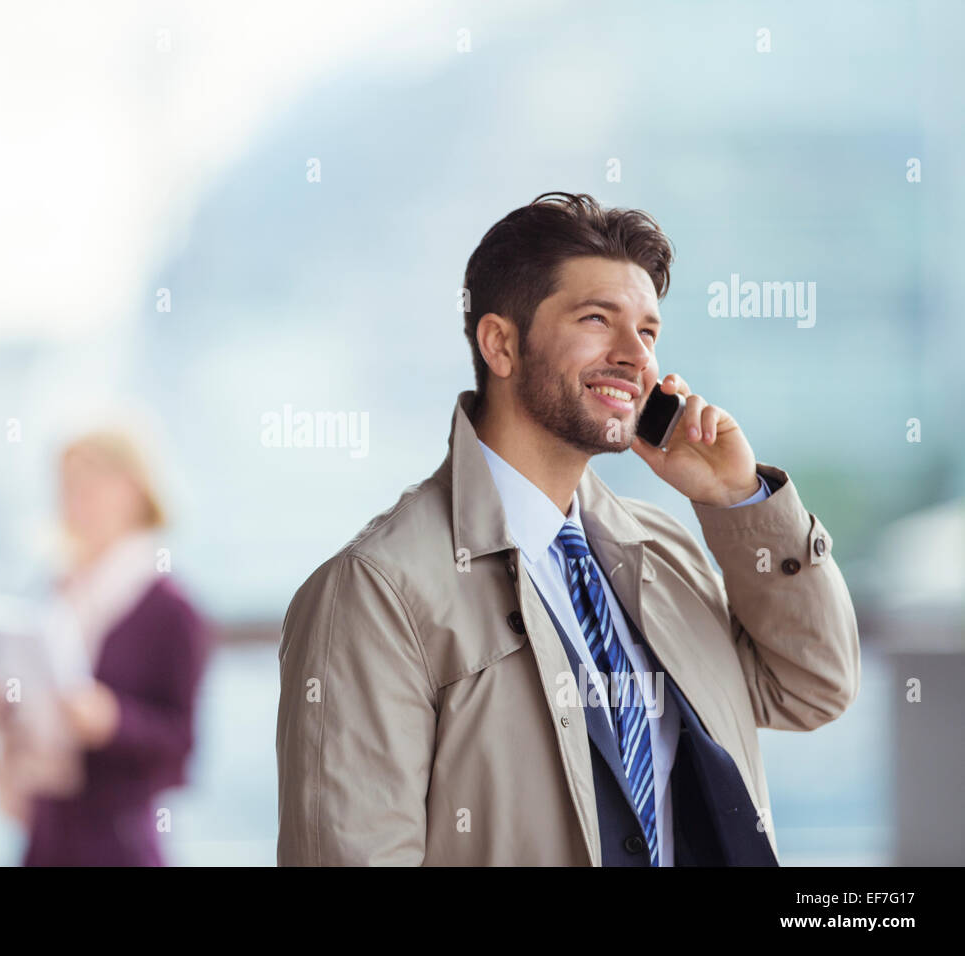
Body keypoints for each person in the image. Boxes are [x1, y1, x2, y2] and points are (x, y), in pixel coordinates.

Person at [276, 192, 861, 866]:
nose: (634, 357)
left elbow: (813, 685)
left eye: (647, 332)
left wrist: (741, 503)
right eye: (596, 319)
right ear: (500, 343)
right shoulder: (377, 592)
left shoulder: (662, 550)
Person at [0, 429, 213, 866]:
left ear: (134, 490)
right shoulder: (54, 589)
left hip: (118, 842)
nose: (75, 502)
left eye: (89, 486)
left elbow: (183, 745)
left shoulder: (171, 609)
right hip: (47, 833)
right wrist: (3, 699)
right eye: (66, 488)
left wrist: (113, 721)